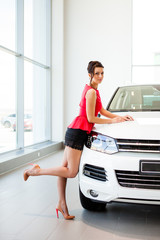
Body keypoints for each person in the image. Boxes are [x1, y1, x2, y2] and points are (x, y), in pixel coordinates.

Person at [23, 61, 133, 220]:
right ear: (90, 75)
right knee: (72, 172)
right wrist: (113, 121)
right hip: (78, 132)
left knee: (63, 168)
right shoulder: (91, 92)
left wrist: (119, 117)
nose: (100, 76)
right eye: (97, 73)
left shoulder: (94, 90)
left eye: (102, 73)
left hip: (75, 130)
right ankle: (36, 171)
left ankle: (61, 204)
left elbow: (101, 110)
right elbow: (91, 117)